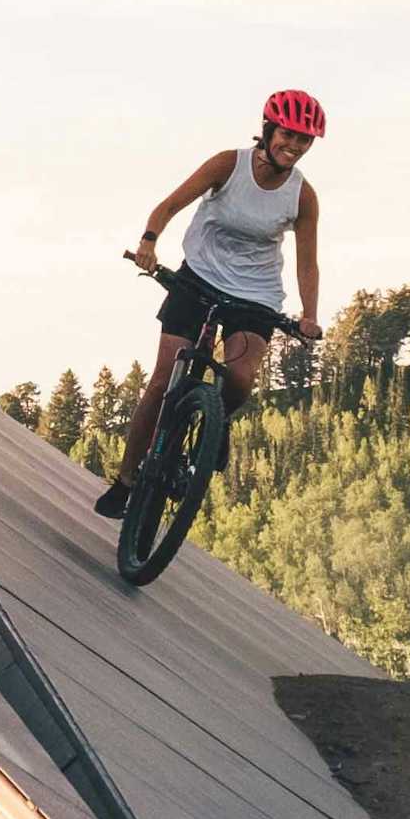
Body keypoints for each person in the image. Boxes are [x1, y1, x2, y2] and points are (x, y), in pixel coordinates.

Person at [97, 89, 327, 519]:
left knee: (240, 377)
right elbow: (170, 205)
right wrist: (149, 241)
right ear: (268, 130)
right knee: (162, 381)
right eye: (288, 134)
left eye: (304, 140)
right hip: (198, 277)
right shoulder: (228, 165)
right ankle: (125, 482)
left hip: (255, 293)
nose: (294, 146)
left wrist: (309, 314)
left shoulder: (302, 196)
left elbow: (307, 263)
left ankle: (213, 422)